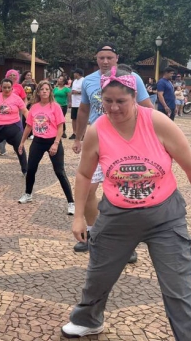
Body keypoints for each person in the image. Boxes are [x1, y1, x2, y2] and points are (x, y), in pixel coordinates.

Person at [62, 65, 191, 340]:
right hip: (116, 216)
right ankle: (88, 319)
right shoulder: (97, 129)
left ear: (134, 97)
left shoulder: (158, 123)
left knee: (179, 287)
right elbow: (83, 173)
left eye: (121, 101)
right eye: (108, 101)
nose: (113, 108)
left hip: (165, 217)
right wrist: (79, 215)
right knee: (99, 274)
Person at [71, 43, 154, 257]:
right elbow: (83, 110)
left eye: (109, 57)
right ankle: (92, 234)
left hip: (127, 141)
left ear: (116, 58)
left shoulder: (133, 78)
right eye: (101, 58)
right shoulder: (89, 81)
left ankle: (129, 244)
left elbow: (147, 108)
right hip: (97, 139)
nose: (105, 61)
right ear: (96, 59)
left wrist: (151, 138)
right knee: (88, 189)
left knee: (127, 193)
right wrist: (78, 138)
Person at [18, 80, 74, 214]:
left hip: (52, 141)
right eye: (42, 89)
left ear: (50, 92)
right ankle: (28, 194)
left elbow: (61, 126)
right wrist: (21, 142)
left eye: (47, 89)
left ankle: (71, 202)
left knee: (59, 171)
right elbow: (28, 126)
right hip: (37, 141)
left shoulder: (55, 107)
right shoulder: (34, 107)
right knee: (31, 169)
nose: (44, 91)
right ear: (38, 92)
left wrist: (56, 143)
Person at [0, 69, 27, 156]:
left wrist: (23, 108)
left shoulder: (19, 87)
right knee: (2, 129)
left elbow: (24, 98)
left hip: (17, 112)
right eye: (11, 75)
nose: (12, 77)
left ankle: (18, 147)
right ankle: (2, 149)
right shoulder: (2, 86)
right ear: (7, 76)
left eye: (14, 75)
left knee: (17, 130)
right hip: (4, 111)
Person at [69, 69, 84, 139]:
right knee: (73, 118)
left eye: (75, 73)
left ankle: (82, 133)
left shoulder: (84, 80)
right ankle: (74, 133)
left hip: (80, 103)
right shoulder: (74, 81)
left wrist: (77, 92)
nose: (74, 75)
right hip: (74, 103)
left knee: (81, 119)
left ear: (78, 73)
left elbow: (85, 92)